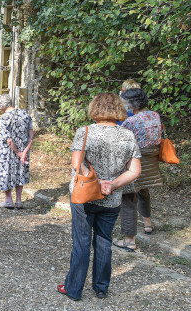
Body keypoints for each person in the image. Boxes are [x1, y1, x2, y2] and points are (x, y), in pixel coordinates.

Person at [58, 93, 141, 300]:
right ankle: (101, 287)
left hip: (84, 195)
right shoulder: (127, 135)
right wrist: (111, 184)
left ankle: (74, 288)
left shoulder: (85, 132)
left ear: (95, 108)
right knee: (104, 241)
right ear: (118, 110)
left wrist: (95, 181)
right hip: (111, 198)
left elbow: (78, 164)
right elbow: (134, 171)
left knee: (82, 242)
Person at [114, 88, 163, 251]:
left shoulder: (130, 122)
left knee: (128, 198)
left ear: (130, 104)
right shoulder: (155, 115)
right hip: (151, 165)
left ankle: (129, 240)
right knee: (143, 191)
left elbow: (123, 146)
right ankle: (148, 224)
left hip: (135, 164)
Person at [0, 94, 34, 209]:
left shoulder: (3, 118)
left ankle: (8, 200)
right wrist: (24, 152)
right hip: (23, 149)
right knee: (20, 173)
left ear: (1, 106)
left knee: (7, 173)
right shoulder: (25, 115)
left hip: (8, 152)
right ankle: (19, 201)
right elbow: (31, 135)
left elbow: (9, 140)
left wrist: (17, 152)